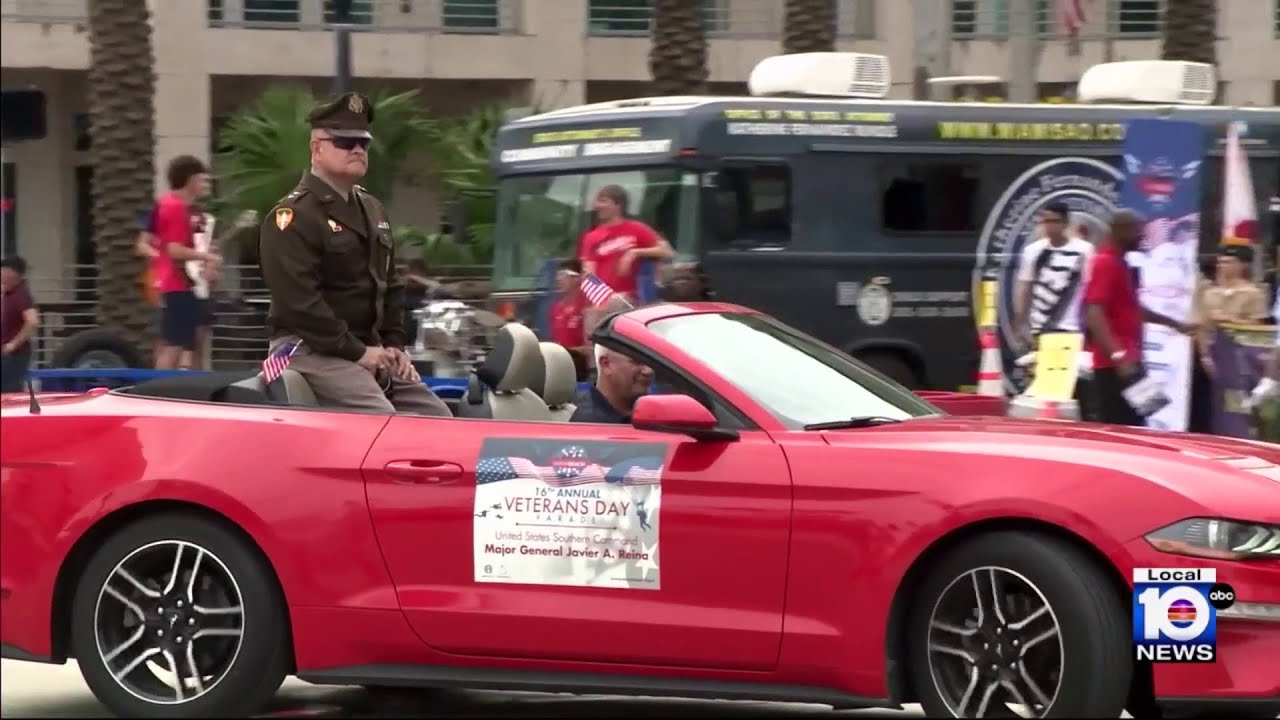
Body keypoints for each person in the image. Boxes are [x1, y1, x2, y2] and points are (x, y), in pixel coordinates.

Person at [257, 91, 448, 416]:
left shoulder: (371, 209)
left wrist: (394, 346)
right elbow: (299, 304)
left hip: (365, 350)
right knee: (383, 422)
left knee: (440, 419)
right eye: (345, 142)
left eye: (363, 142)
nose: (358, 149)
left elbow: (391, 286)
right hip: (308, 348)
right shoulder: (292, 215)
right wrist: (358, 352)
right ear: (317, 149)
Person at [1082, 209, 1196, 426]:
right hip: (1114, 367)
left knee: (1146, 412)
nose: (1142, 238)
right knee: (1121, 425)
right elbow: (1094, 313)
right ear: (1121, 230)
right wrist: (1118, 356)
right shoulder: (1104, 263)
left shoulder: (1122, 263)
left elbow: (1133, 309)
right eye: (1138, 232)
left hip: (1131, 362)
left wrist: (1175, 324)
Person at [153, 155, 221, 370]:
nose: (205, 185)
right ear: (190, 180)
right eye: (202, 180)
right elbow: (174, 249)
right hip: (178, 283)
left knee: (183, 344)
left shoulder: (171, 205)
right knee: (173, 346)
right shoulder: (175, 207)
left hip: (183, 284)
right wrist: (206, 257)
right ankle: (156, 396)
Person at [578, 184, 674, 336]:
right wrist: (605, 298)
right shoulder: (591, 237)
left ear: (618, 204)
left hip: (633, 302)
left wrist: (635, 252)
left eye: (603, 201)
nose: (597, 206)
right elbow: (588, 276)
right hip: (603, 303)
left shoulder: (636, 229)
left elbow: (667, 252)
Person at [1012, 202, 1095, 343]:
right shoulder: (1032, 251)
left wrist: (1090, 326)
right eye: (1046, 221)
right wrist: (1019, 321)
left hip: (1073, 328)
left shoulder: (1085, 250)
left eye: (1055, 221)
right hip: (1040, 327)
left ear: (1065, 222)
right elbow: (1024, 289)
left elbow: (1090, 289)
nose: (1050, 226)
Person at [569, 344, 653, 424]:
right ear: (606, 364)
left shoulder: (647, 412)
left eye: (650, 361)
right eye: (637, 362)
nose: (649, 371)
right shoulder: (591, 426)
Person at [1, 256, 38, 393]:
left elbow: (32, 321)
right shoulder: (8, 294)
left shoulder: (21, 294)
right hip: (6, 354)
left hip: (13, 356)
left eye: (3, 271)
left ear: (12, 273)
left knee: (8, 393)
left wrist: (13, 345)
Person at [549, 258, 590, 377]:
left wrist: (572, 352)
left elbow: (591, 347)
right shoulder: (556, 308)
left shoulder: (586, 306)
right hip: (561, 365)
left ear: (576, 278)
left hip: (580, 368)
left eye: (563, 275)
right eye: (557, 276)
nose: (558, 279)